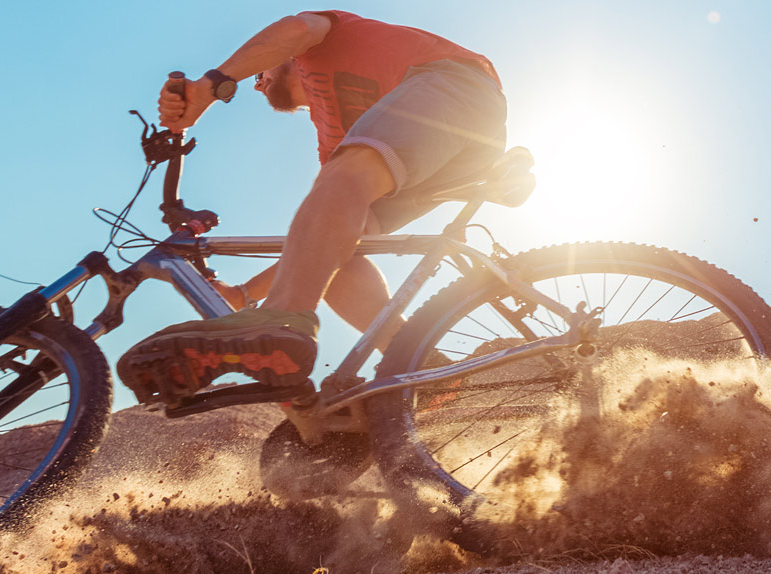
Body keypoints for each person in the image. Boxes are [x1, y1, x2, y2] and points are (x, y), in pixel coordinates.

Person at [117, 10, 506, 404]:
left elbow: (298, 30)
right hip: (441, 154)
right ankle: (427, 370)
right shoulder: (335, 139)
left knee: (342, 178)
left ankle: (282, 325)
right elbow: (332, 234)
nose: (256, 85)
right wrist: (245, 293)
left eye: (259, 74)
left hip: (454, 86)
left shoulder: (314, 46)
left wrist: (210, 86)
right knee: (337, 255)